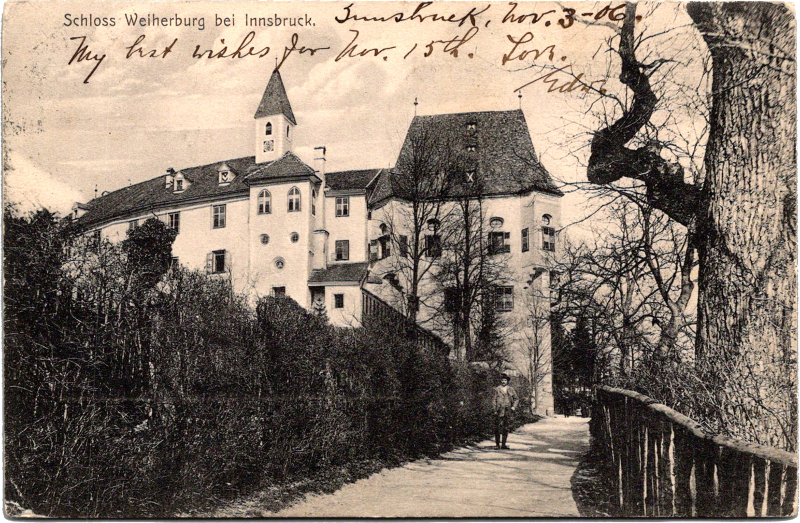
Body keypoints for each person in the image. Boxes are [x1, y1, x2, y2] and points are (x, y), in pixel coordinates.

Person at [492, 373, 518, 449]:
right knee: (497, 427)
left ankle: (503, 444)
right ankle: (497, 445)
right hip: (498, 411)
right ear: (500, 381)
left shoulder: (510, 389)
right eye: (502, 380)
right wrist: (494, 409)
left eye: (505, 380)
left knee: (506, 427)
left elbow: (516, 399)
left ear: (507, 381)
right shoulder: (497, 389)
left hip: (507, 411)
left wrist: (513, 407)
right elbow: (493, 400)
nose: (503, 381)